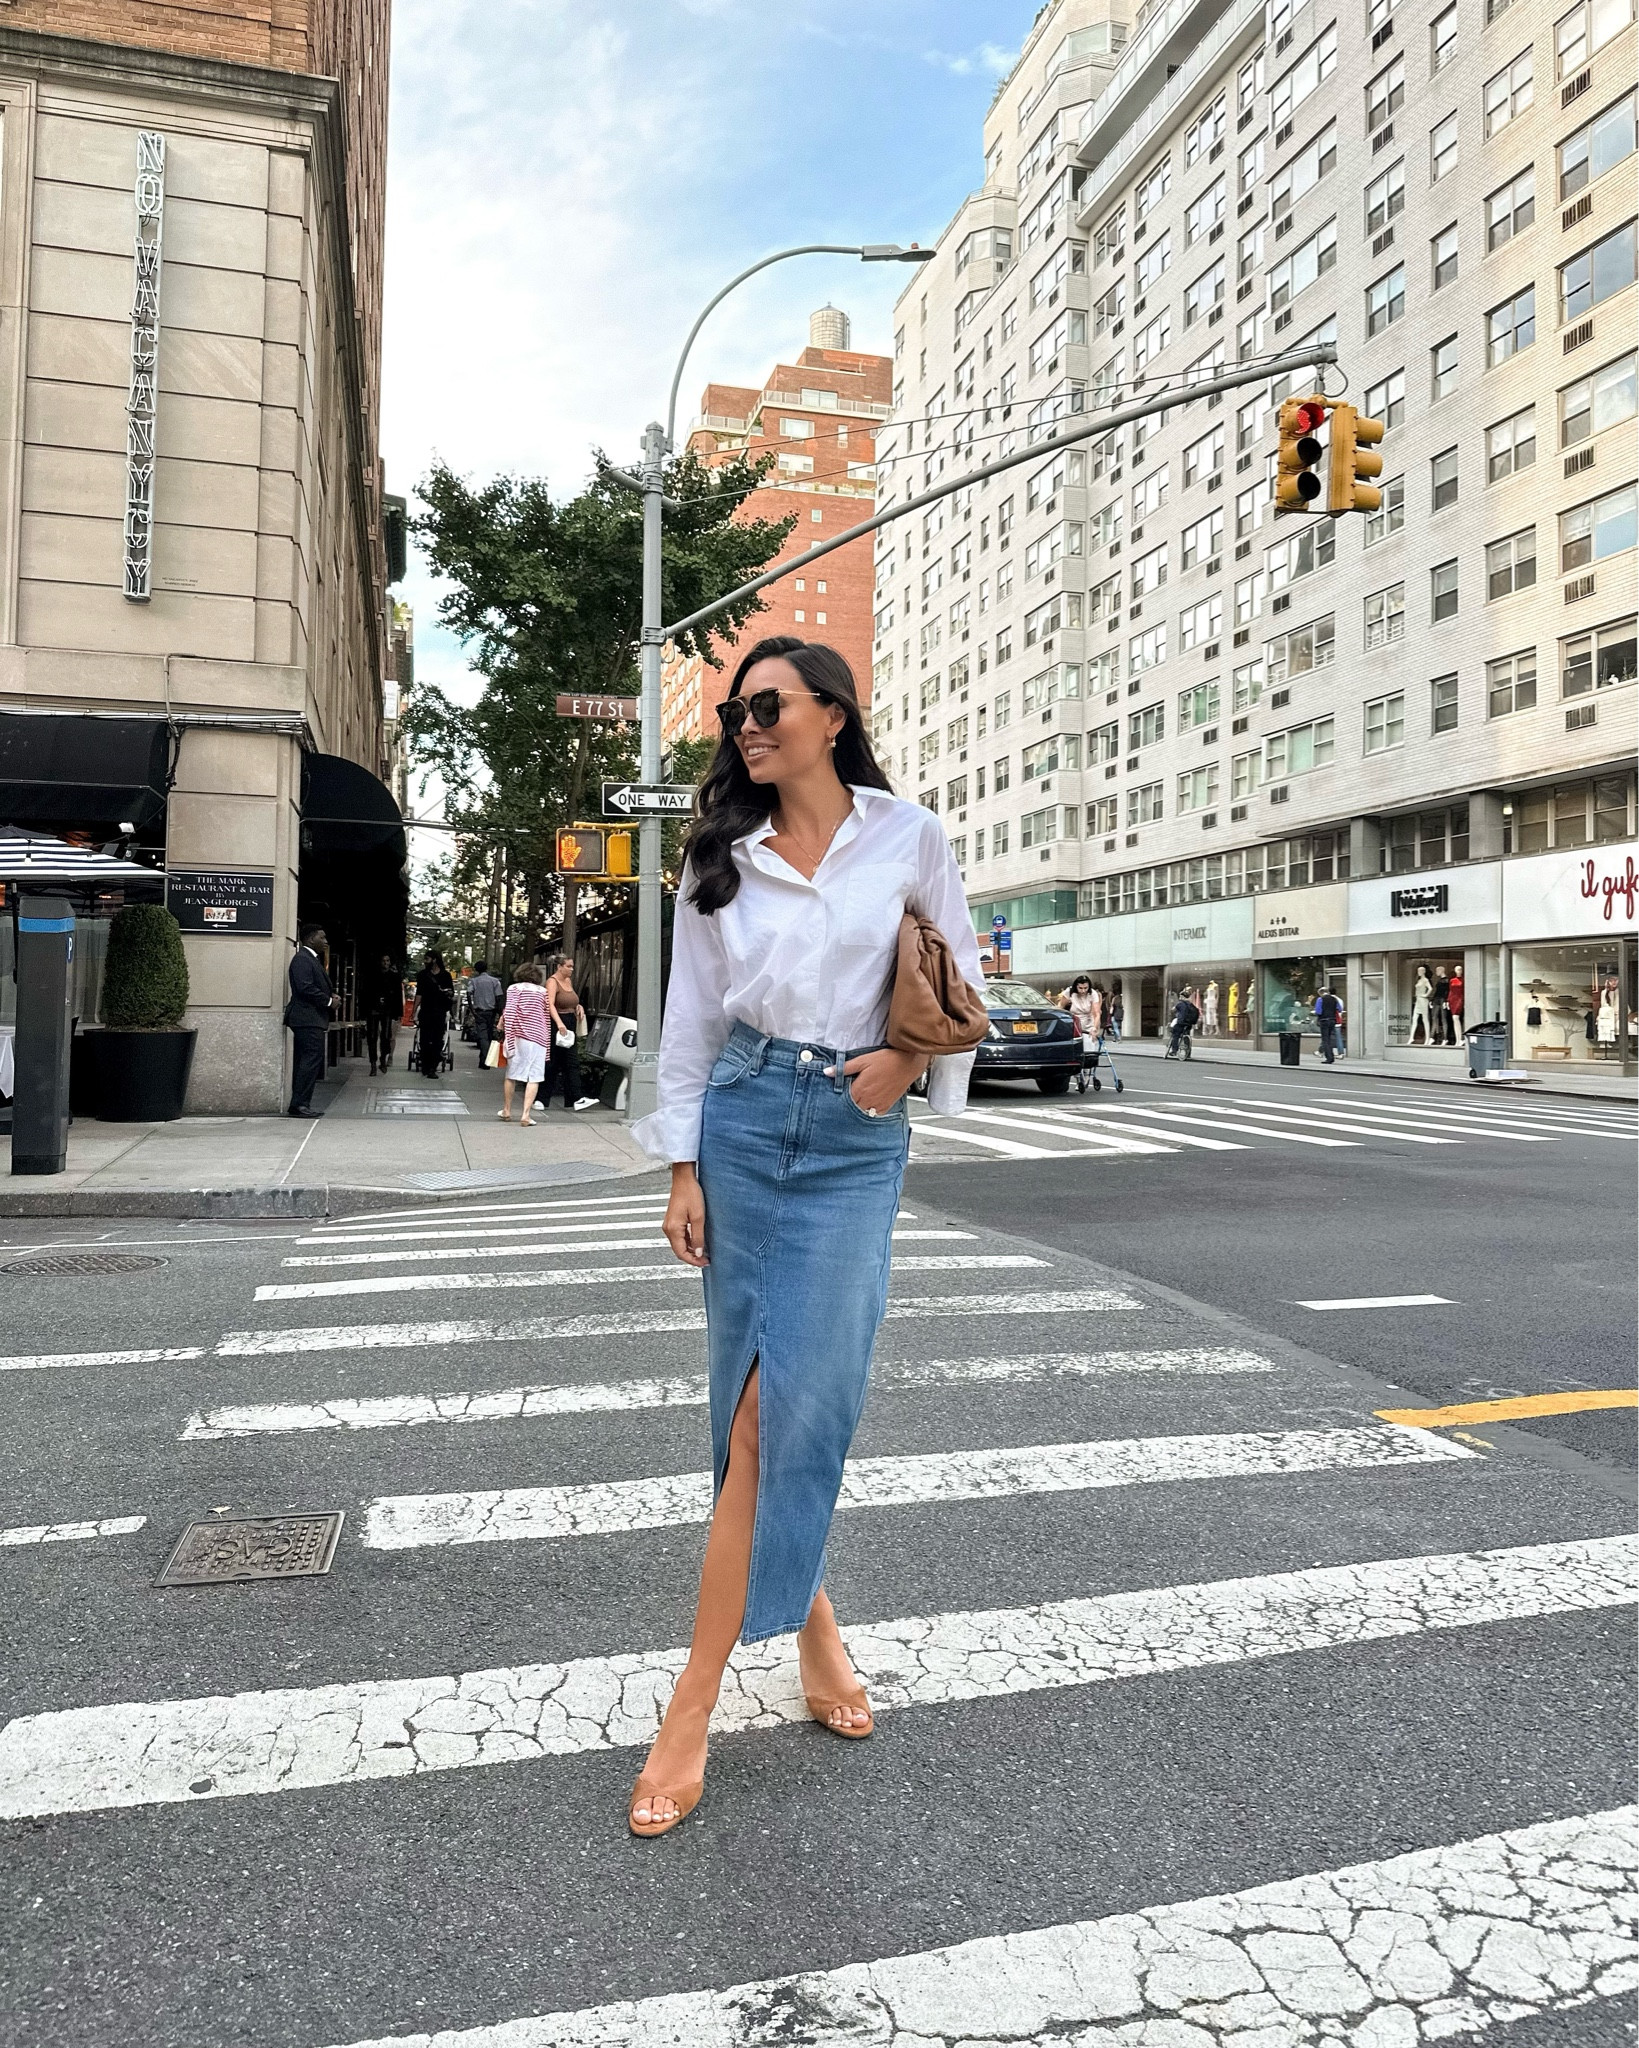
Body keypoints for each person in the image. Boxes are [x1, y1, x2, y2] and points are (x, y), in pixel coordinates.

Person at [626, 634, 983, 1838]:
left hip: (851, 1138)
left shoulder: (910, 836)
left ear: (833, 713)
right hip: (740, 1120)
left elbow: (962, 978)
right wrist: (679, 1162)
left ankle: (755, 1656)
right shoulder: (719, 859)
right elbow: (685, 1021)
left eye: (764, 703)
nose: (743, 724)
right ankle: (713, 1686)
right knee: (750, 1404)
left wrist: (905, 1062)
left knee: (804, 1402)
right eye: (733, 710)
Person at [284, 924, 334, 1118]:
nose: (326, 941)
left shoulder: (310, 959)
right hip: (307, 1019)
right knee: (310, 1061)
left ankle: (300, 1103)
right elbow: (305, 988)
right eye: (322, 937)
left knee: (308, 1061)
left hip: (311, 1018)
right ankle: (300, 1105)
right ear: (311, 938)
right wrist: (329, 1001)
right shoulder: (303, 959)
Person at [543, 953, 599, 1112]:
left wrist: (578, 1007)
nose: (571, 969)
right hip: (558, 1023)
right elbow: (550, 1004)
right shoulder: (552, 982)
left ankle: (573, 1098)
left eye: (572, 966)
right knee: (555, 1061)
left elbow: (572, 1000)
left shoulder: (568, 981)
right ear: (559, 967)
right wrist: (559, 1023)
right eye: (568, 966)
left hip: (570, 1021)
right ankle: (544, 1097)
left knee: (568, 1062)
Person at [498, 962, 551, 1124]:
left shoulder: (514, 989)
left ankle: (507, 1110)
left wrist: (506, 1029)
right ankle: (526, 1114)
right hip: (539, 1037)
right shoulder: (543, 992)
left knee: (511, 1074)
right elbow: (546, 1016)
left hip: (519, 1036)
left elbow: (511, 1009)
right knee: (534, 1076)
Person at [412, 950, 454, 1077]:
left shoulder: (446, 976)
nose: (425, 962)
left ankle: (432, 1067)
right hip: (426, 1011)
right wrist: (414, 1012)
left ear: (434, 960)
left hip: (439, 1012)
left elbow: (451, 993)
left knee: (437, 1039)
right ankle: (426, 1064)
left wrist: (448, 993)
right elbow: (419, 994)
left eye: (427, 959)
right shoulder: (423, 975)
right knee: (424, 1039)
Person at [365, 953, 401, 1076]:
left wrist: (397, 1012)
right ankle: (374, 1063)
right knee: (372, 1036)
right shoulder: (373, 975)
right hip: (375, 1009)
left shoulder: (394, 977)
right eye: (383, 961)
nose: (385, 963)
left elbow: (397, 995)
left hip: (387, 1009)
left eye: (387, 961)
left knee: (385, 1036)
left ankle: (382, 1059)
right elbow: (367, 992)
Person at [468, 959, 503, 1067]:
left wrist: (472, 1009)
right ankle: (485, 1059)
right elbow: (499, 996)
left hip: (479, 1011)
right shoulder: (495, 981)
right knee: (488, 1035)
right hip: (491, 1012)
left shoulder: (474, 981)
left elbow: (469, 994)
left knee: (483, 1036)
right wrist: (499, 1011)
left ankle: (484, 1060)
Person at [1166, 989, 1200, 1059]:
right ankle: (1188, 1053)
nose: (1179, 997)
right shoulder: (1192, 1005)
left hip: (1181, 1023)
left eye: (1180, 996)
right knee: (1186, 1036)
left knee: (1176, 1034)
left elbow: (1173, 1010)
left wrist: (1173, 1011)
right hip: (1189, 1024)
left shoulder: (1180, 1004)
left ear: (1182, 996)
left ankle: (1174, 1051)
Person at [1315, 984, 1343, 1064]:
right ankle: (1331, 1055)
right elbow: (1340, 1009)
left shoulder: (1320, 999)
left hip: (1324, 1020)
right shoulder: (1334, 999)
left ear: (1321, 993)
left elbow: (1318, 1011)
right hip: (1332, 1020)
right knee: (1330, 1038)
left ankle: (1329, 1057)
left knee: (1325, 1039)